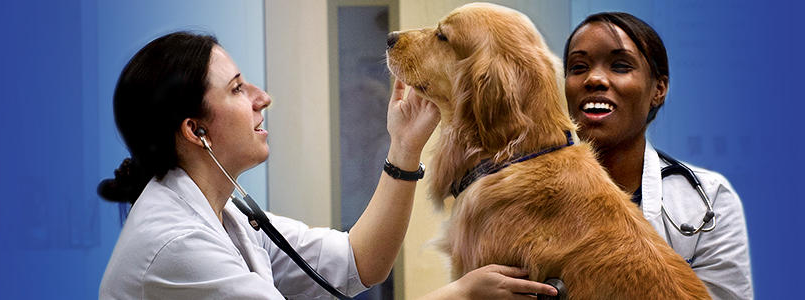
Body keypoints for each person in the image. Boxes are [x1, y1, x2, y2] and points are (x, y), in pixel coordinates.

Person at [97, 31, 559, 299]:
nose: (263, 98)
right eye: (238, 89)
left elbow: (360, 261)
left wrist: (405, 147)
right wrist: (459, 294)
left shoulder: (230, 216)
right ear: (195, 130)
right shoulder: (177, 245)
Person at [562, 12, 753, 299]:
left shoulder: (710, 201)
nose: (594, 79)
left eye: (620, 66)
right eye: (578, 67)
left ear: (658, 90)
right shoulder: (518, 196)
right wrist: (468, 292)